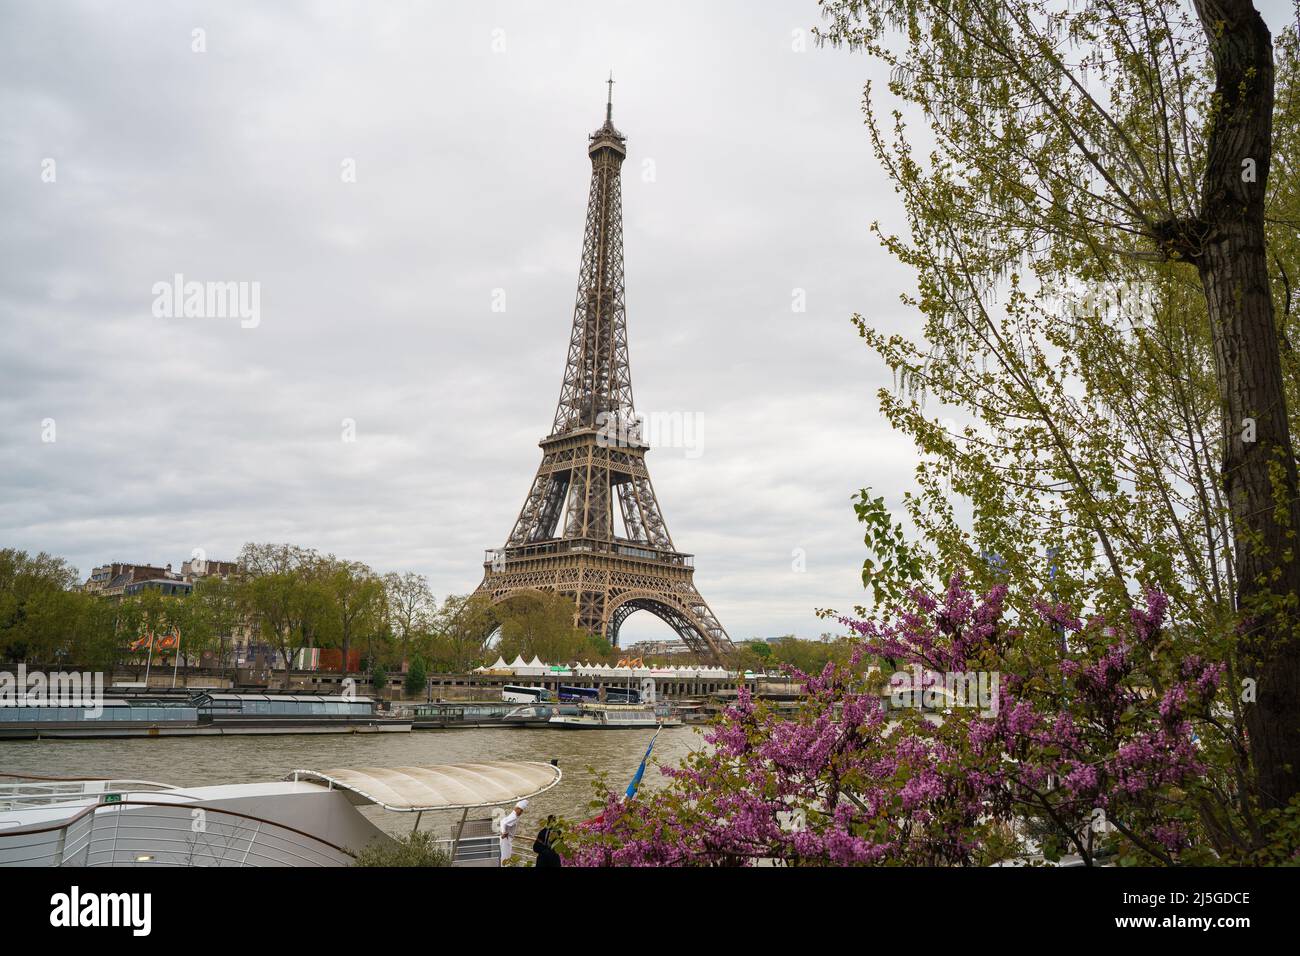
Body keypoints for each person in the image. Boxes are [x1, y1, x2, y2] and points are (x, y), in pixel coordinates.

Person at [498, 799, 527, 864]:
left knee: (505, 856)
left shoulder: (513, 815)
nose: (521, 812)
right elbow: (503, 823)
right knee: (506, 857)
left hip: (506, 838)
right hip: (506, 839)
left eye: (522, 811)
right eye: (521, 810)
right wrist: (503, 832)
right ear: (517, 808)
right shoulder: (514, 817)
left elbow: (502, 821)